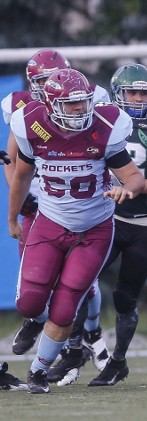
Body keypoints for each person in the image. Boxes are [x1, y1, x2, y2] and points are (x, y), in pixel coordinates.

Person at [7, 68, 144, 394]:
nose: (81, 109)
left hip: (94, 229)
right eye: (71, 104)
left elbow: (133, 175)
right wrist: (12, 218)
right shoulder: (33, 124)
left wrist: (129, 189)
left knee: (67, 306)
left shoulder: (104, 127)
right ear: (52, 104)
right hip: (50, 221)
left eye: (83, 103)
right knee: (29, 302)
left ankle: (38, 372)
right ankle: (35, 321)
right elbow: (22, 176)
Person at [4, 49, 110, 363]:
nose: (49, 84)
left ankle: (90, 334)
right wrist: (20, 198)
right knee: (34, 282)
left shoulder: (90, 100)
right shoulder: (21, 108)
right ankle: (36, 321)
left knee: (81, 281)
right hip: (39, 204)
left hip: (82, 202)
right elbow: (14, 162)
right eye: (42, 80)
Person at [84, 63, 147, 387]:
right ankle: (78, 347)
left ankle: (117, 362)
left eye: (144, 92)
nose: (140, 98)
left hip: (146, 224)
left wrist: (134, 186)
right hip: (108, 219)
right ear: (118, 95)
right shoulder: (102, 122)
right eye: (133, 92)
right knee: (78, 281)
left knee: (125, 297)